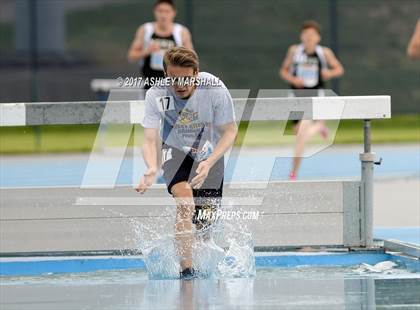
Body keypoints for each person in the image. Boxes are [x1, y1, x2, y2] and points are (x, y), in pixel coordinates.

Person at [135, 47, 237, 279]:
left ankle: (204, 267)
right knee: (185, 205)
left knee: (204, 226)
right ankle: (186, 271)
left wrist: (210, 162)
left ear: (196, 74)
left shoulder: (214, 87)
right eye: (173, 79)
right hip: (175, 151)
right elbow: (149, 139)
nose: (179, 85)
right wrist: (151, 167)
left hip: (209, 154)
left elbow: (230, 132)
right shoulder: (157, 94)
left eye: (185, 78)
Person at [279, 20, 344, 180]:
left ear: (318, 38)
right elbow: (283, 71)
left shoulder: (324, 53)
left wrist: (329, 73)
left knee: (301, 135)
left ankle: (293, 172)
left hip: (314, 98)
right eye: (306, 34)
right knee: (298, 132)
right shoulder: (294, 51)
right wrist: (293, 80)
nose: (309, 38)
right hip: (296, 97)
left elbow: (339, 69)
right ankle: (320, 126)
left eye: (312, 35)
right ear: (301, 36)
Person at [127, 0, 194, 89]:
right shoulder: (145, 30)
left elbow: (191, 61)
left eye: (167, 11)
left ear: (174, 13)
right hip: (150, 84)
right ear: (155, 12)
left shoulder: (181, 32)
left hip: (175, 85)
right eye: (160, 11)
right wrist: (147, 51)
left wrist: (176, 54)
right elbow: (131, 56)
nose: (163, 15)